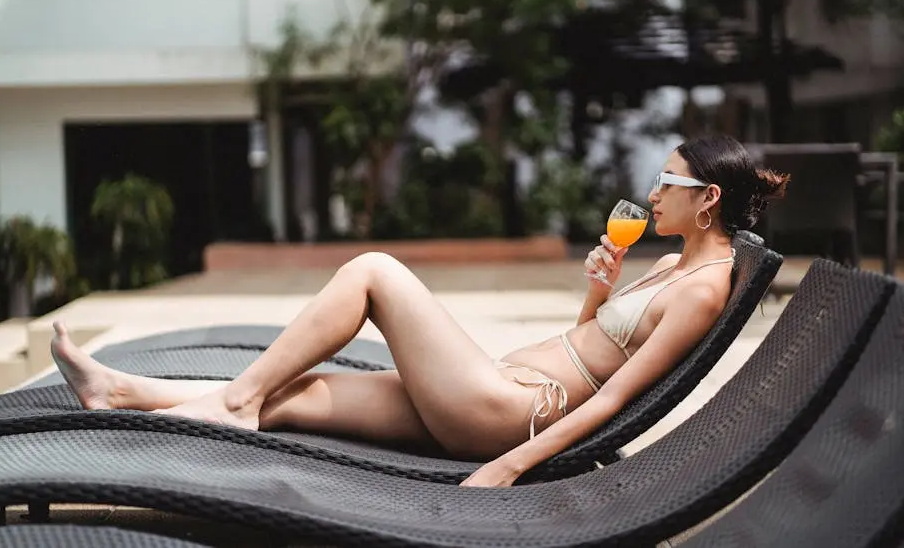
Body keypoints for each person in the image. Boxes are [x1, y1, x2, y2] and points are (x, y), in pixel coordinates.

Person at [50, 135, 788, 488]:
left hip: (508, 413)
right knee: (302, 393)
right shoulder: (667, 264)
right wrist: (601, 287)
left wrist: (506, 466)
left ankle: (236, 399)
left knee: (374, 271)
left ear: (707, 199)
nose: (654, 192)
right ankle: (120, 393)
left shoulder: (701, 290)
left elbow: (620, 396)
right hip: (496, 386)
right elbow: (594, 339)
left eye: (668, 181)